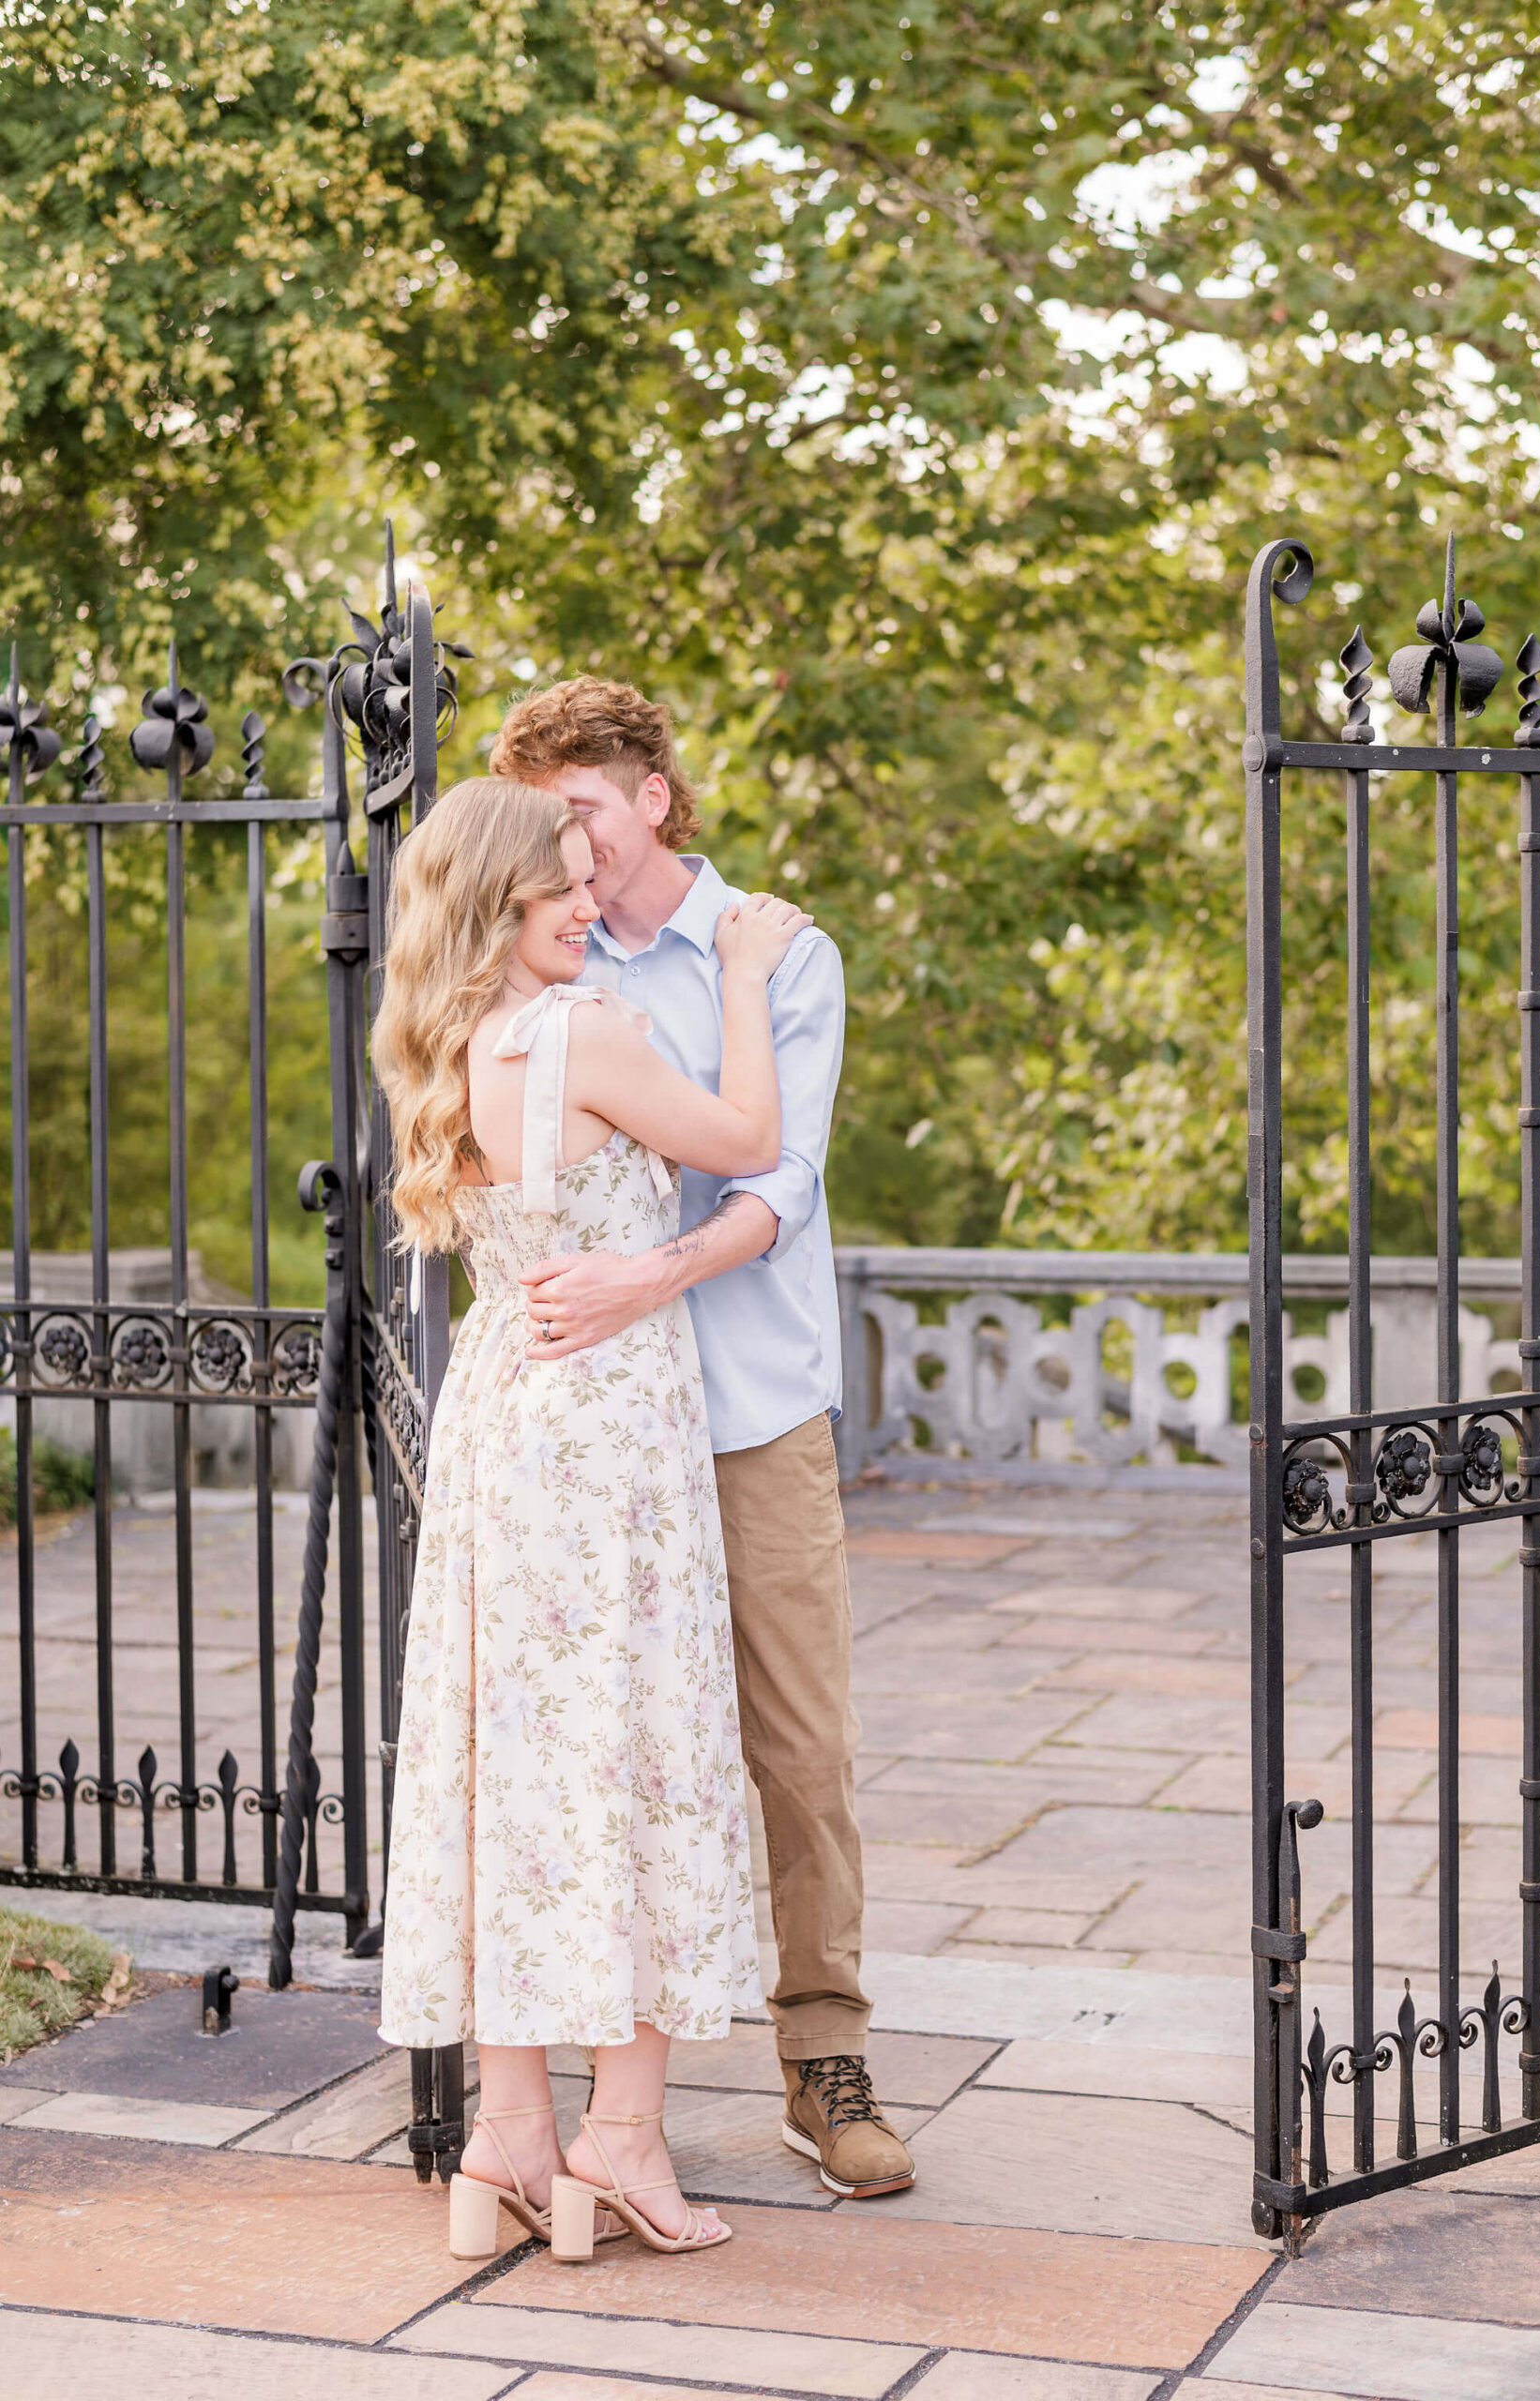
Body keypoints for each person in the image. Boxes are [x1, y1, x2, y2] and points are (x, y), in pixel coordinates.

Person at [374, 773, 813, 2266]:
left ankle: (505, 2139)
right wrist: (746, 973)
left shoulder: (439, 1042)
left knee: (511, 1765)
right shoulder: (586, 1033)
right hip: (613, 1424)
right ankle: (620, 2141)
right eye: (562, 887)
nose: (588, 907)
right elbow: (751, 1136)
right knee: (636, 1756)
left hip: (503, 1411)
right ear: (502, 900)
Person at [489, 679, 915, 2201]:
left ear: (653, 795)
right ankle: (555, 2105)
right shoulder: (534, 951)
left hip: (743, 1411)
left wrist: (646, 1277)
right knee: (581, 1756)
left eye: (584, 812)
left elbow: (777, 1179)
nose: (569, 852)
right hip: (592, 1433)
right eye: (544, 826)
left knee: (797, 1750)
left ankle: (824, 2060)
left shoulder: (780, 953)